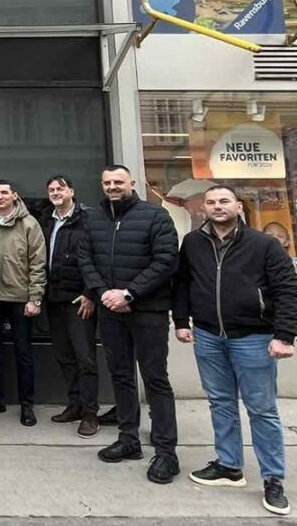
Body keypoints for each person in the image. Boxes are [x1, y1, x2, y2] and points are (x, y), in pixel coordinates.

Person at [174, 185, 297, 516]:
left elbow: (287, 289)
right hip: (208, 336)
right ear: (204, 208)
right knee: (220, 402)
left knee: (262, 409)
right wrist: (181, 321)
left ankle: (273, 479)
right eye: (211, 202)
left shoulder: (264, 245)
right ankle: (229, 466)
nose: (217, 206)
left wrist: (285, 336)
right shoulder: (193, 243)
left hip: (254, 338)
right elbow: (182, 283)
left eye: (224, 201)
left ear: (238, 206)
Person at [79, 164, 181, 485]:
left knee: (155, 379)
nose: (112, 187)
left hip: (147, 310)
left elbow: (166, 260)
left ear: (132, 183)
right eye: (107, 182)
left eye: (118, 182)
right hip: (110, 310)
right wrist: (103, 293)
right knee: (121, 376)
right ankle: (128, 439)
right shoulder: (93, 218)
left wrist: (129, 293)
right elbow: (85, 259)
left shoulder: (155, 215)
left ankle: (166, 453)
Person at [0, 179, 46, 427]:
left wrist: (35, 297)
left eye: (4, 192)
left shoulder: (29, 224)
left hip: (20, 298)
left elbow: (38, 262)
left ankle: (27, 404)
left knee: (23, 353)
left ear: (14, 195)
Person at [40, 175, 100, 438]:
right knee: (65, 356)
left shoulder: (88, 219)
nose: (56, 192)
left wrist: (90, 293)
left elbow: (97, 258)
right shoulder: (46, 219)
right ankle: (75, 405)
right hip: (54, 297)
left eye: (60, 188)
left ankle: (90, 413)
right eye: (51, 189)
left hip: (80, 300)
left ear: (72, 191)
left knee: (85, 357)